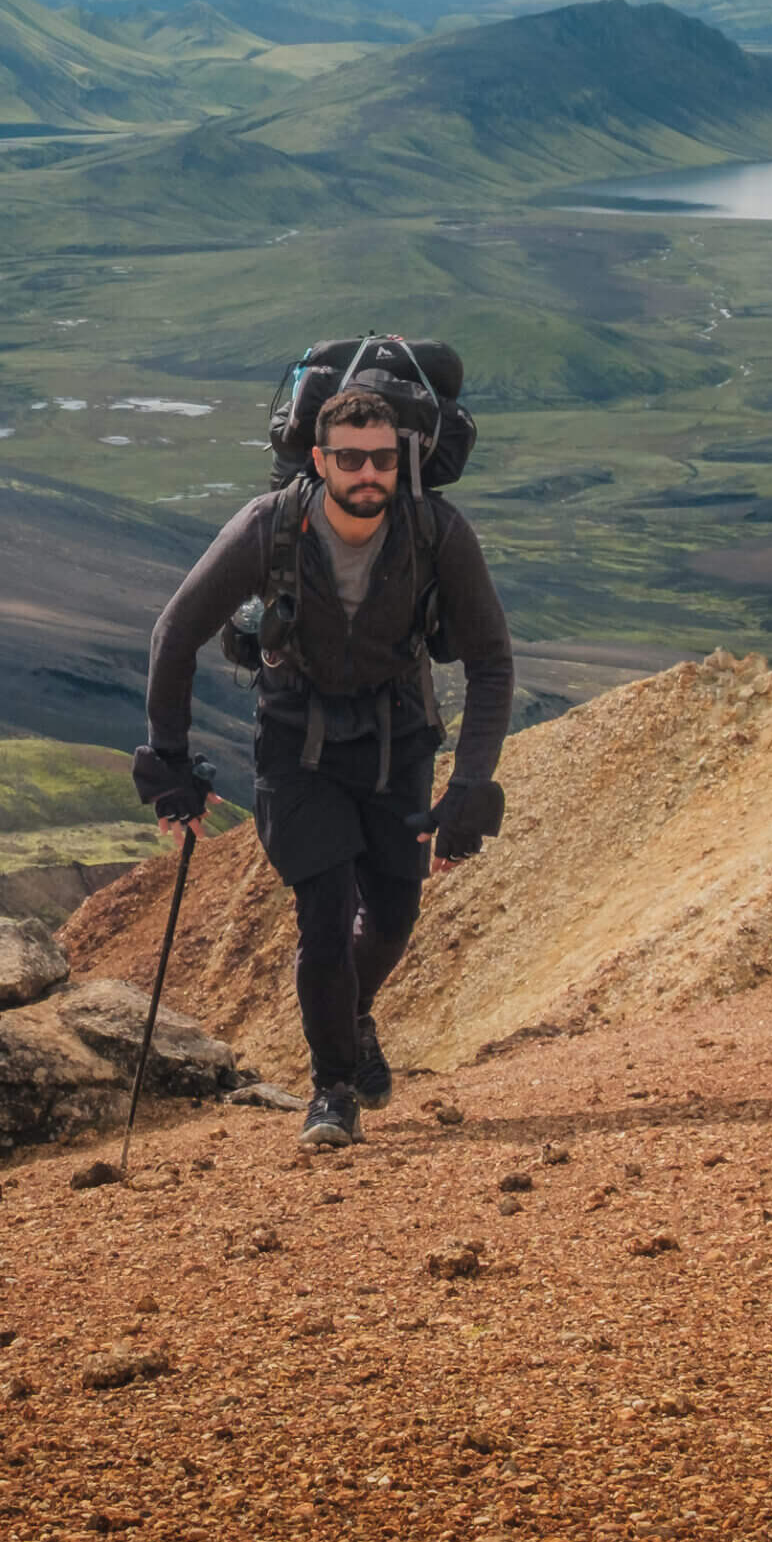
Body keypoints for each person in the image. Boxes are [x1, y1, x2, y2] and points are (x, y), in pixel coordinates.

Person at [133, 385, 514, 1150]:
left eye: (381, 459)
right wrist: (169, 760)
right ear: (319, 459)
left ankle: (351, 1016)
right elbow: (175, 632)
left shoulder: (435, 532)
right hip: (295, 749)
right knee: (326, 915)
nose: (367, 473)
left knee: (395, 916)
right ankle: (332, 1092)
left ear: (399, 460)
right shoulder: (269, 526)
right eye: (350, 459)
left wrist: (470, 782)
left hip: (398, 745)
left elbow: (491, 661)